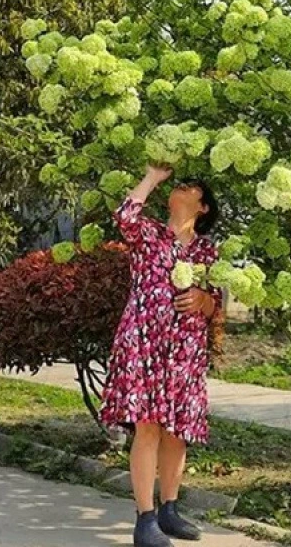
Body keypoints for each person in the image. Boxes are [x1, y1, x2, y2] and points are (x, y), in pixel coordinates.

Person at [100, 165, 221, 547]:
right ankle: (145, 519)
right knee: (148, 427)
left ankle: (169, 510)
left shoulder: (207, 251)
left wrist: (204, 299)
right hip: (144, 343)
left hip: (184, 350)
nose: (180, 188)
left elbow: (216, 304)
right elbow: (125, 216)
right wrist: (152, 177)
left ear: (203, 207)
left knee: (176, 431)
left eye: (190, 187)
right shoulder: (149, 234)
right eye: (178, 184)